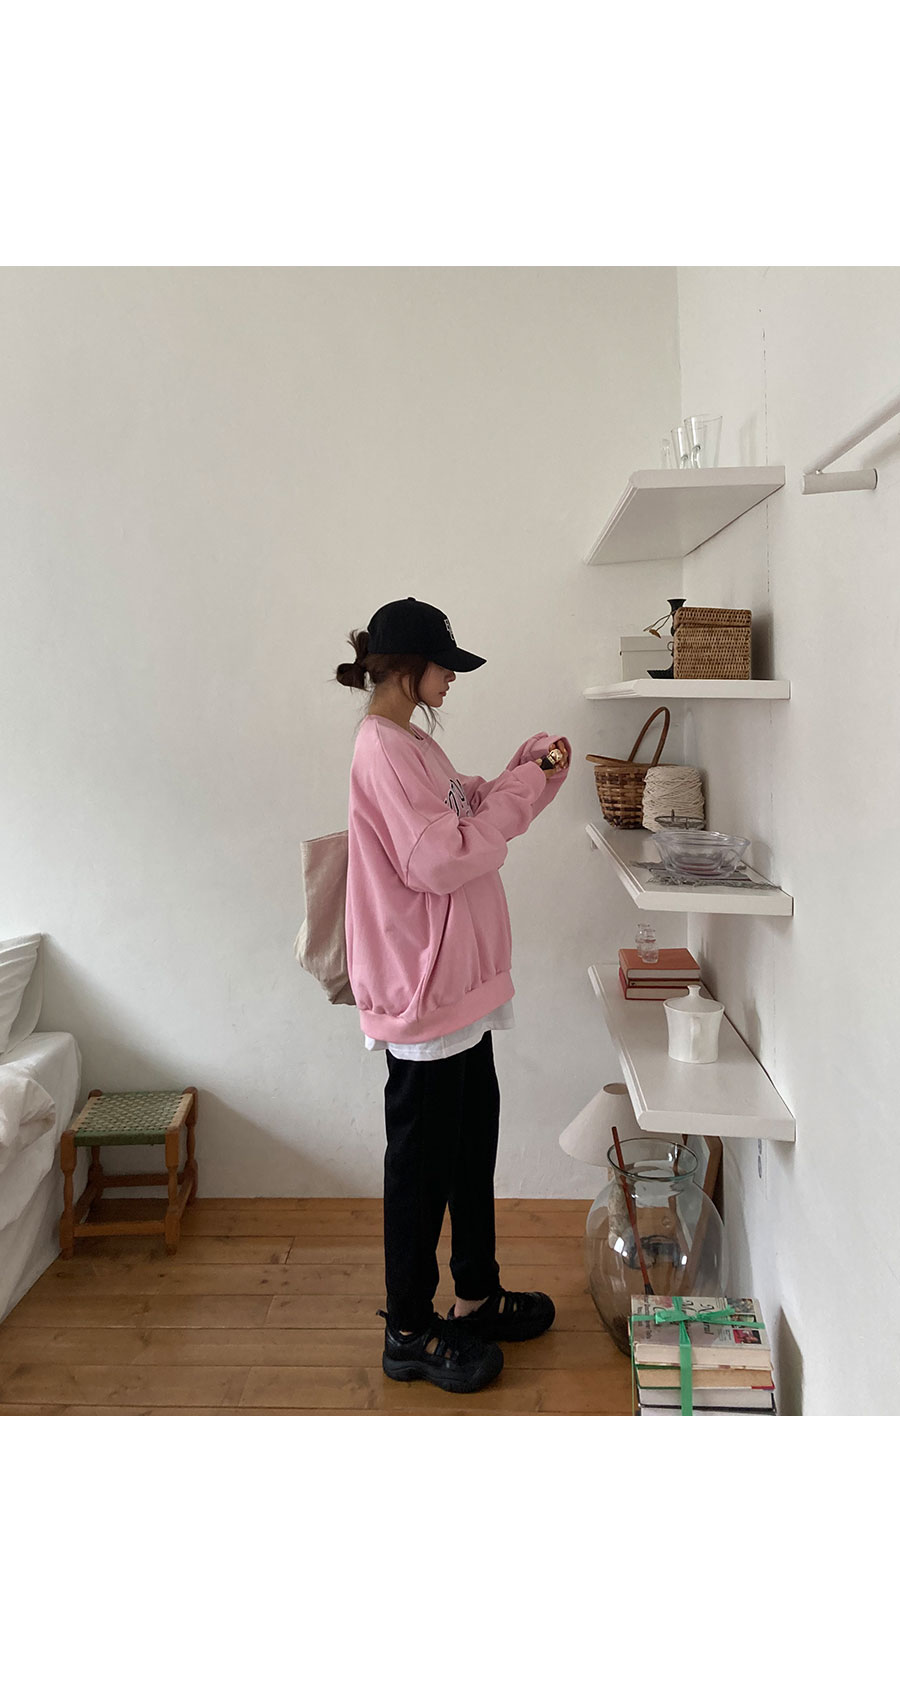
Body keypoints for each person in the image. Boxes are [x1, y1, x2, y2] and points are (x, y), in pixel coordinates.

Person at [335, 597, 571, 1395]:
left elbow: (470, 805)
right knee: (421, 1166)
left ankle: (475, 1294)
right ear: (407, 667)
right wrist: (514, 794)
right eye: (445, 665)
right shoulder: (382, 748)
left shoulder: (413, 742)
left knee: (469, 1147)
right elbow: (441, 858)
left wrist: (530, 770)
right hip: (426, 992)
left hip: (458, 989)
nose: (453, 679)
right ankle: (407, 1328)